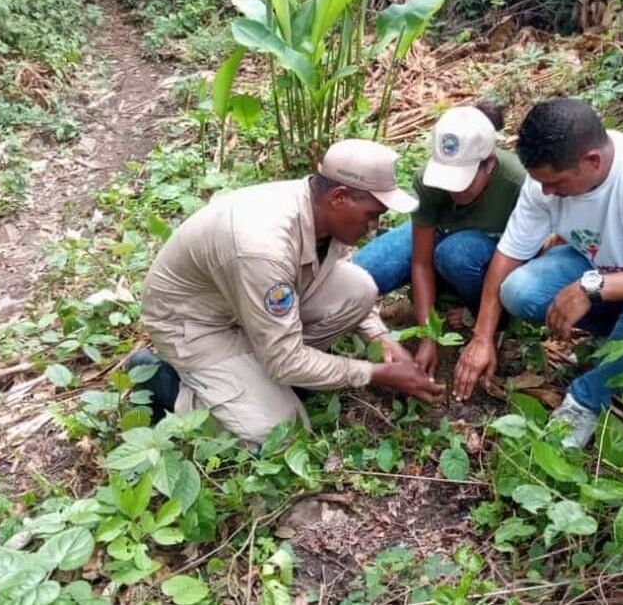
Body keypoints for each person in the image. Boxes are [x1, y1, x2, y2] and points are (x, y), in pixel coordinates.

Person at [452, 98, 623, 447]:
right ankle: (622, 339)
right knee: (519, 289)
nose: (546, 192)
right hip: (606, 272)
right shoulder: (546, 181)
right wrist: (482, 337)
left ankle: (586, 401)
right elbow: (509, 255)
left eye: (556, 183)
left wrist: (593, 287)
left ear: (592, 161)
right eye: (540, 182)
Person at [138, 139, 445, 444]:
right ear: (339, 197)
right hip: (195, 324)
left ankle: (258, 379)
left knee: (360, 289)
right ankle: (163, 380)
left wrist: (381, 338)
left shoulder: (320, 209)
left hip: (244, 305)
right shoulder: (265, 247)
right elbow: (284, 361)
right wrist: (374, 373)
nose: (374, 226)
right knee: (282, 434)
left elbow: (336, 274)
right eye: (371, 214)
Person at [352, 104, 526, 376]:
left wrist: (481, 326)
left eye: (464, 181)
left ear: (489, 163)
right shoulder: (429, 181)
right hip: (440, 238)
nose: (453, 191)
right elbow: (421, 262)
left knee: (456, 254)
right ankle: (441, 304)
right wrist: (428, 335)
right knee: (359, 275)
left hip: (486, 255)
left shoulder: (518, 183)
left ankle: (480, 315)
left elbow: (525, 258)